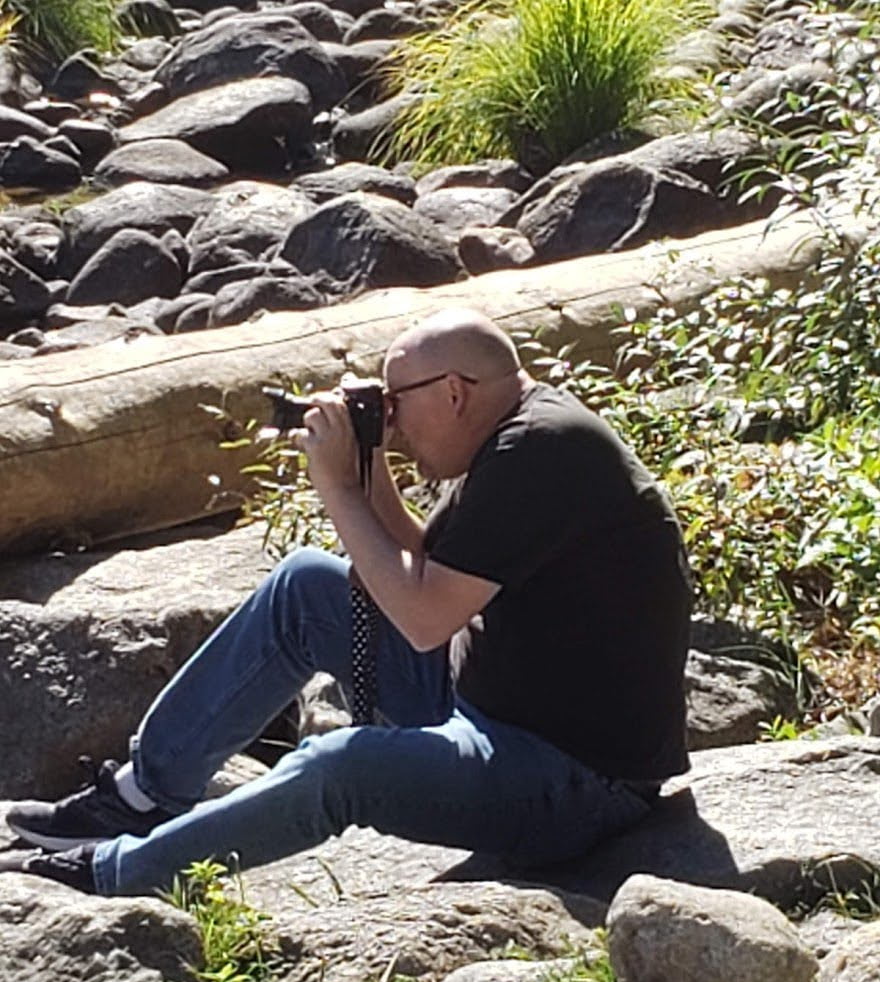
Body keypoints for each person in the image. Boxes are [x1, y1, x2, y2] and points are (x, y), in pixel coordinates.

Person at [3, 309, 692, 897]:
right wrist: (367, 469)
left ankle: (116, 873)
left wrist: (335, 488)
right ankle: (139, 797)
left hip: (577, 779)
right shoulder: (518, 431)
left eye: (397, 403)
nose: (391, 421)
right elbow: (428, 563)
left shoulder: (543, 450)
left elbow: (423, 619)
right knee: (306, 584)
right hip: (488, 706)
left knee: (342, 766)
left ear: (453, 391)